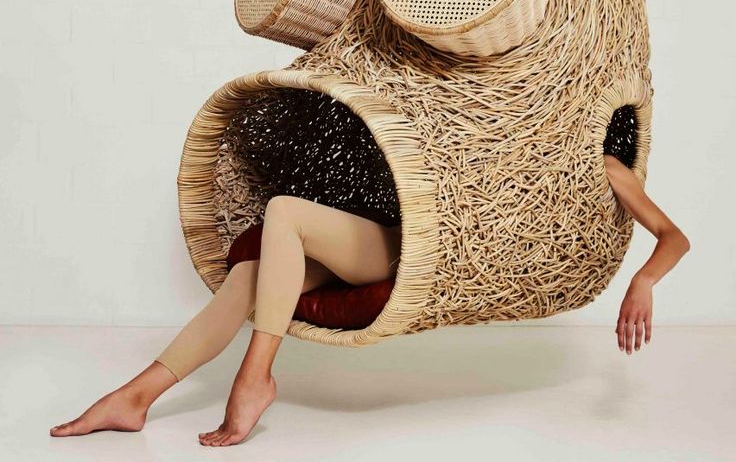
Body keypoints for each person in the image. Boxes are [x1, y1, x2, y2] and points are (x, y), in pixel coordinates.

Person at [48, 153, 690, 447]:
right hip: (380, 222)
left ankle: (253, 376)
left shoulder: (602, 168)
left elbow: (673, 236)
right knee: (250, 275)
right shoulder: (490, 120)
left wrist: (643, 280)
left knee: (285, 217)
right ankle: (136, 398)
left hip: (415, 251)